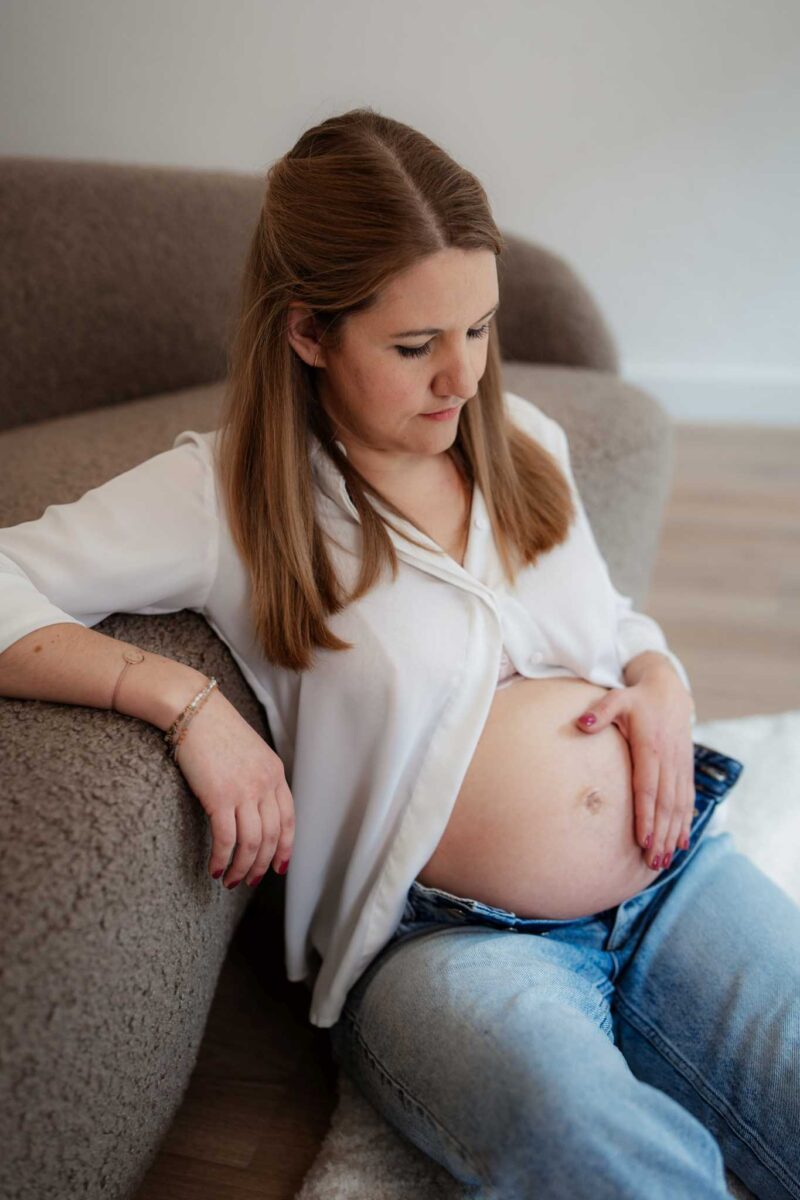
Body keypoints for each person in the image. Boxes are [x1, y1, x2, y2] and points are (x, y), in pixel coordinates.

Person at [0, 107, 798, 1198]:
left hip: (669, 872)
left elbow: (606, 621)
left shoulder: (525, 444)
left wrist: (658, 677)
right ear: (306, 333)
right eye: (414, 345)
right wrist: (180, 699)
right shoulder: (223, 497)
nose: (461, 378)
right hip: (450, 948)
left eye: (478, 328)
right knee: (594, 1147)